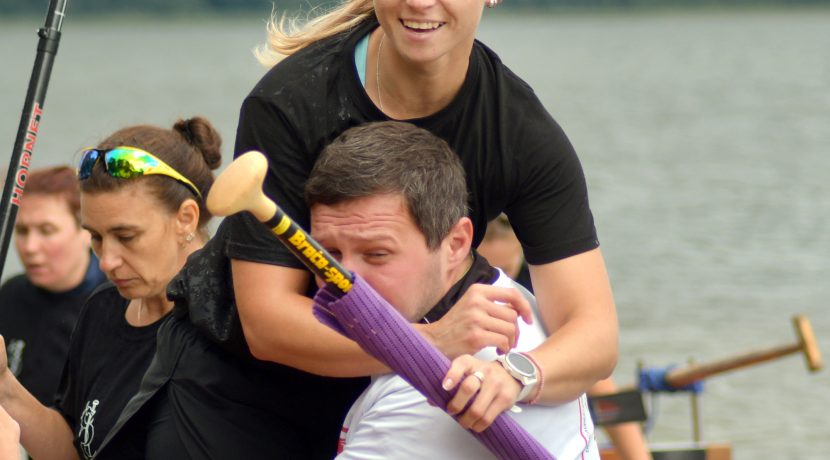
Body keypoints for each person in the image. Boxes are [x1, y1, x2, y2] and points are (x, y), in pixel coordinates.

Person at [235, 0, 616, 431]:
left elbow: (595, 334)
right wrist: (431, 341)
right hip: (246, 394)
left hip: (384, 393)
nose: (419, 3)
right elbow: (265, 324)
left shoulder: (521, 131)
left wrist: (516, 374)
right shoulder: (290, 101)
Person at [307, 121, 598, 459]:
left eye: (376, 254)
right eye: (327, 253)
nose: (342, 279)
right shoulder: (508, 296)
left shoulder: (436, 394)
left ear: (456, 243)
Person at [0, 116, 220, 460]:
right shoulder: (103, 306)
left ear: (186, 218)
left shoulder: (228, 325)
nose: (106, 262)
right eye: (97, 237)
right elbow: (74, 447)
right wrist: (4, 385)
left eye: (126, 236)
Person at [478, 215, 653, 460]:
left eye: (506, 270)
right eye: (489, 272)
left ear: (520, 249)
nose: (501, 286)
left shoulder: (541, 288)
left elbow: (598, 381)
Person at [0, 166, 106, 409]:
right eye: (22, 231)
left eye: (47, 231)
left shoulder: (115, 303)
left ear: (86, 231)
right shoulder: (11, 294)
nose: (30, 247)